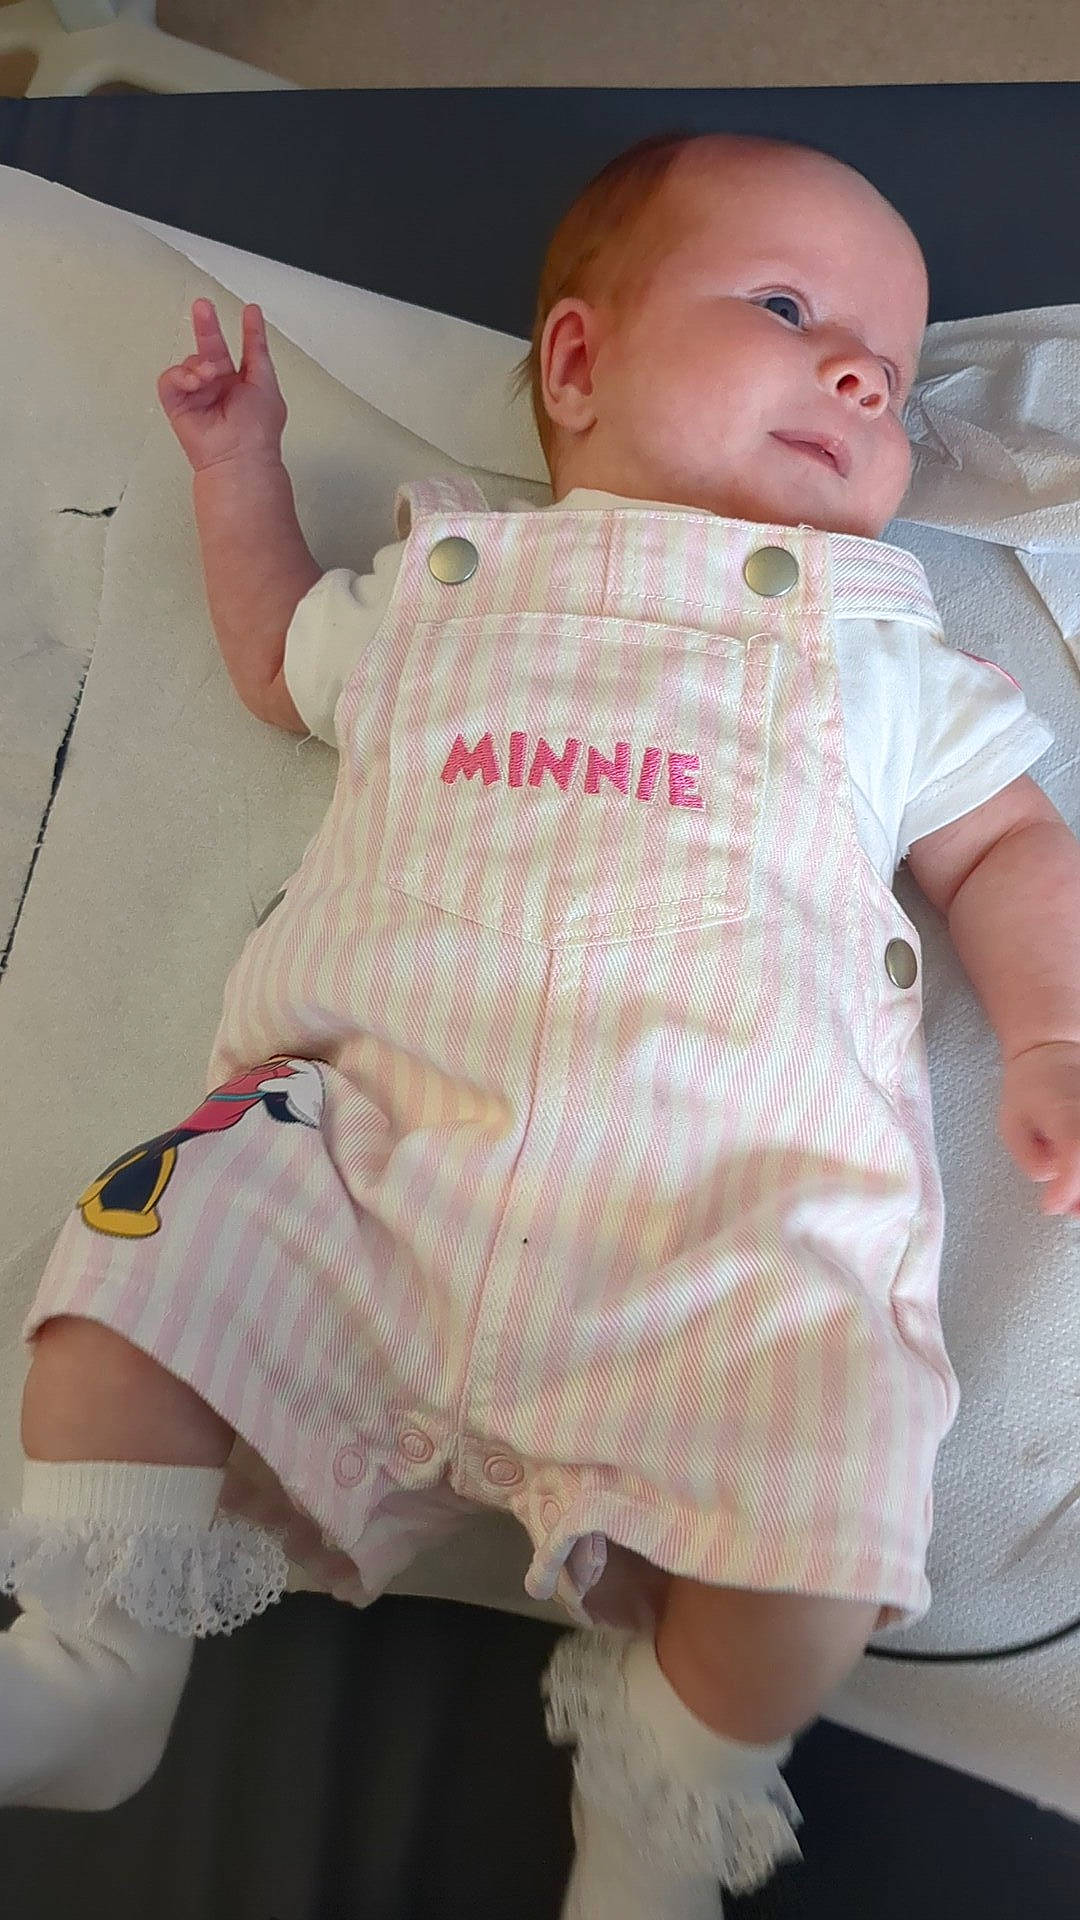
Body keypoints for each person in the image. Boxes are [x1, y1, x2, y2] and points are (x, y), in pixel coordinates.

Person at [3, 128, 1078, 1919]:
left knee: (833, 1476)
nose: (857, 371)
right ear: (576, 365)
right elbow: (279, 661)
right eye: (791, 308)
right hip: (364, 1147)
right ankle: (98, 1650)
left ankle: (674, 1792)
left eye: (888, 370)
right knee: (136, 1255)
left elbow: (1010, 844)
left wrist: (1047, 1036)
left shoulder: (884, 651)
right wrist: (236, 467)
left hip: (731, 1217)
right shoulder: (446, 586)